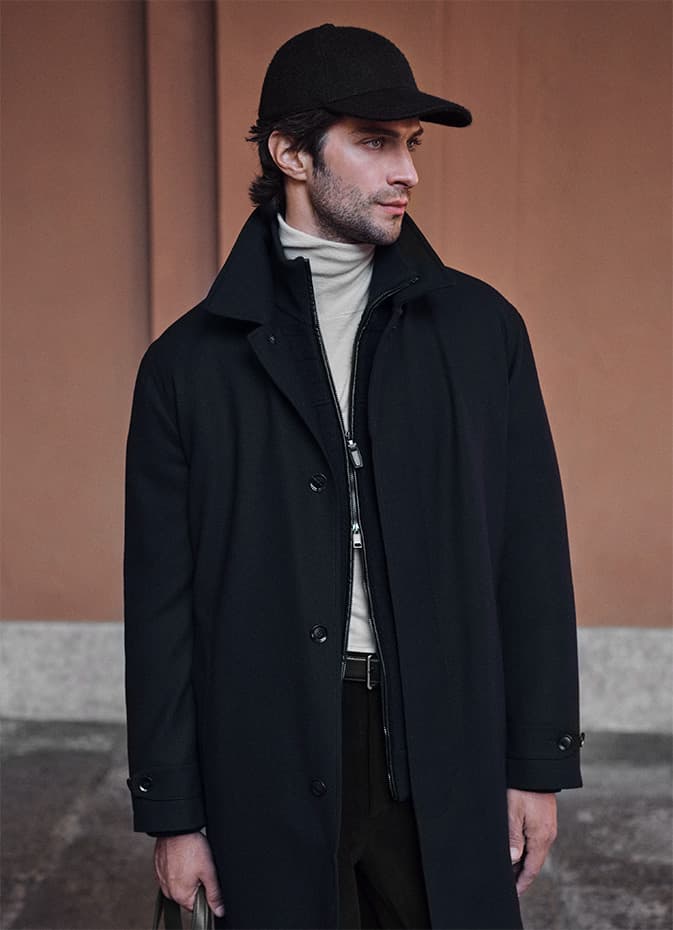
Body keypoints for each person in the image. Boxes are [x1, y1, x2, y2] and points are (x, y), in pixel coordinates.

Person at [124, 23, 584, 930]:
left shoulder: (480, 331)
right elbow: (162, 604)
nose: (406, 170)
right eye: (374, 142)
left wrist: (535, 763)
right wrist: (173, 816)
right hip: (269, 742)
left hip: (442, 735)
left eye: (409, 145)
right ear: (290, 152)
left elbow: (528, 553)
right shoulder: (187, 366)